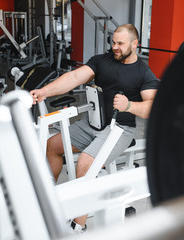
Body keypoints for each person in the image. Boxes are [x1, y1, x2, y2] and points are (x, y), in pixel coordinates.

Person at [30, 23, 159, 233]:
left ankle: (77, 226)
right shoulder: (101, 61)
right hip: (92, 124)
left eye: (120, 43)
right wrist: (45, 91)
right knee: (51, 146)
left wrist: (129, 106)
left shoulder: (143, 73)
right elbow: (73, 78)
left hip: (120, 129)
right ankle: (49, 202)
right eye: (113, 42)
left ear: (135, 44)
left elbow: (152, 107)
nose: (115, 47)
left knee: (85, 163)